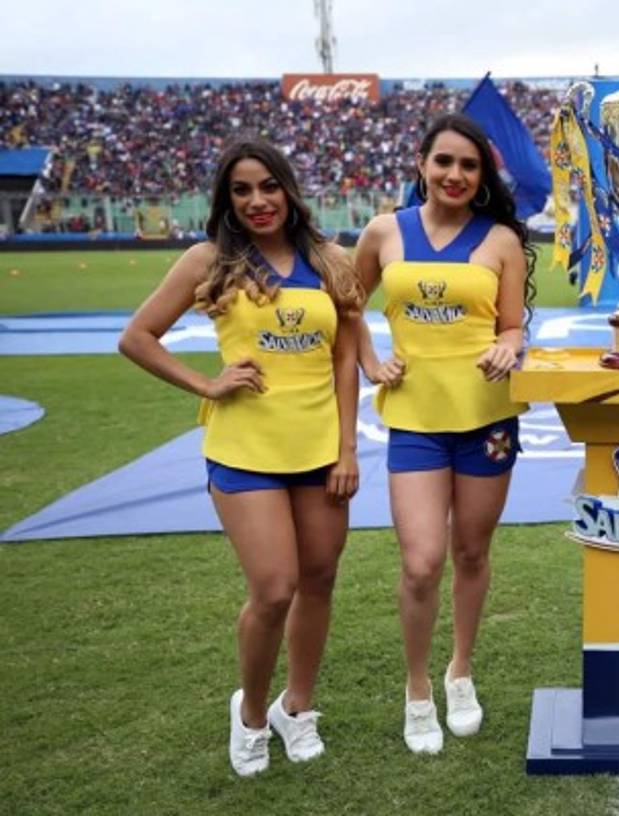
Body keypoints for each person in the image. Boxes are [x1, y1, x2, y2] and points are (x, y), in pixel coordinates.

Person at [118, 139, 362, 776]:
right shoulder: (210, 258)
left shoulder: (330, 259)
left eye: (268, 186)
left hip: (320, 454)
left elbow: (343, 359)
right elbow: (137, 337)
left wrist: (345, 448)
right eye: (241, 190)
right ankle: (251, 712)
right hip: (244, 451)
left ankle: (296, 708)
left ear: (288, 189)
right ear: (226, 200)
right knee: (275, 589)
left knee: (320, 581)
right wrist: (207, 383)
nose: (257, 201)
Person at [353, 113, 533, 754]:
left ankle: (460, 671)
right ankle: (418, 689)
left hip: (487, 422)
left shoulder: (502, 241)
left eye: (469, 165)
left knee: (472, 555)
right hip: (416, 425)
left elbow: (513, 326)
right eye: (445, 162)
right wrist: (371, 362)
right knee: (422, 561)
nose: (455, 175)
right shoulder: (382, 232)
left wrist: (510, 349)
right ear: (421, 164)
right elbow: (345, 308)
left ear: (482, 176)